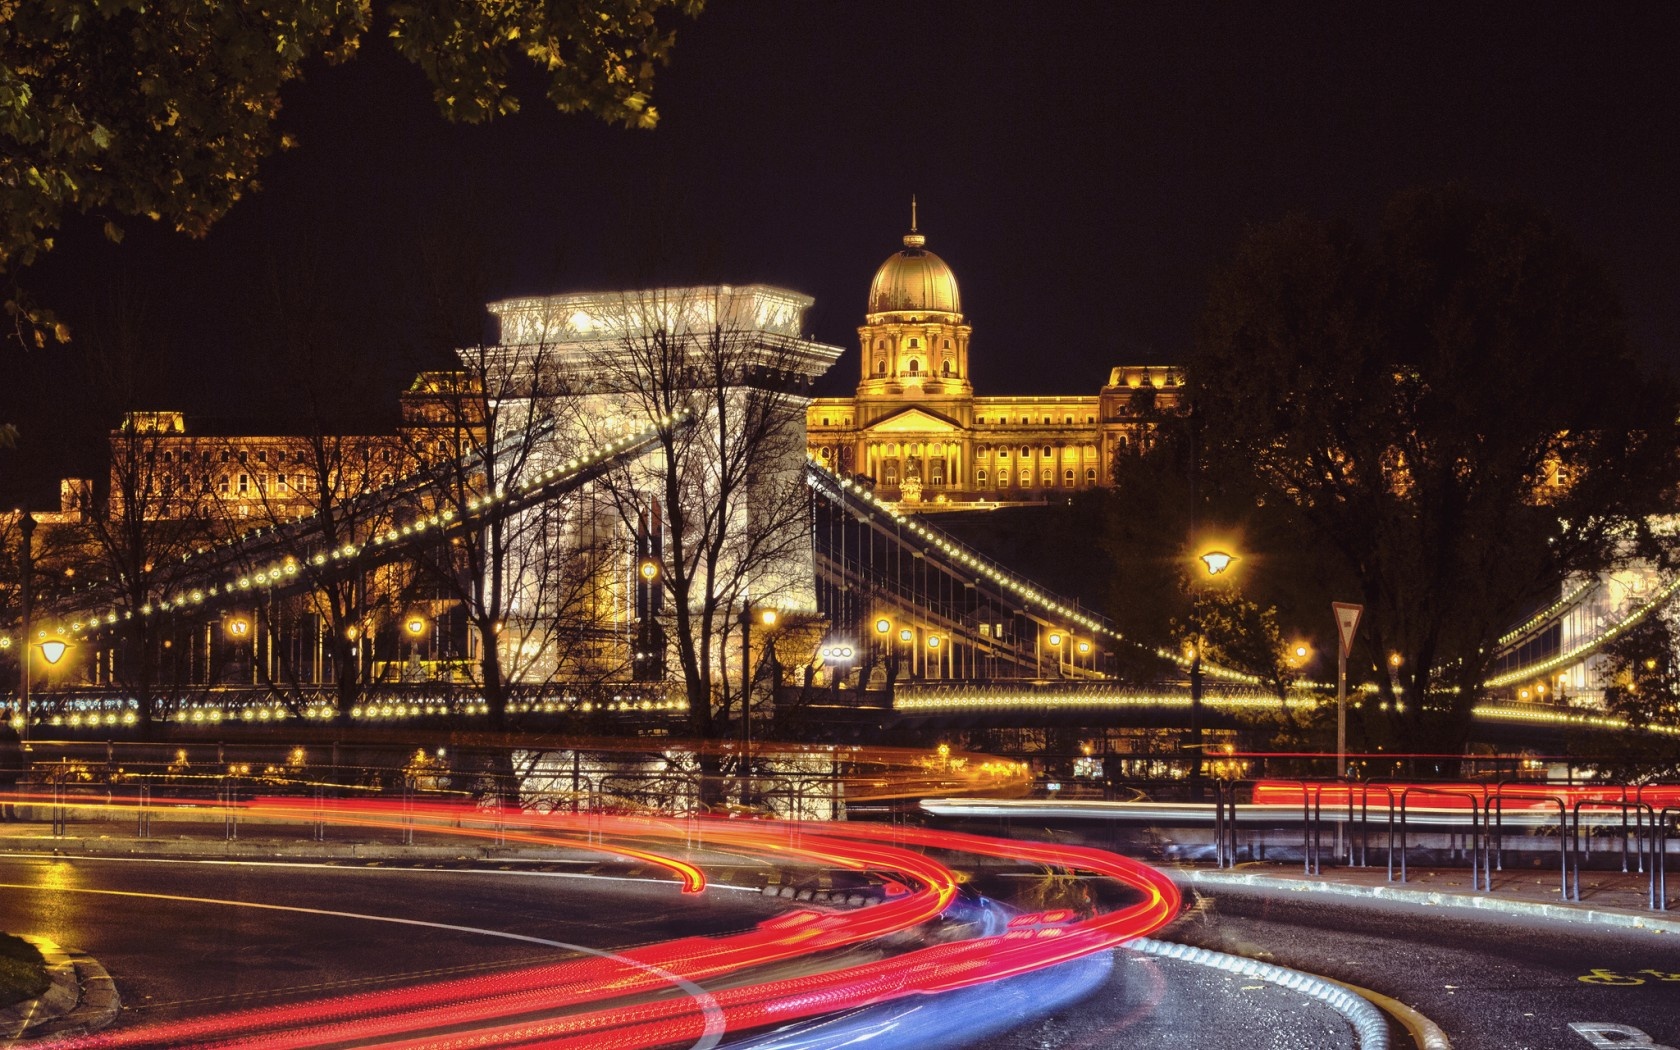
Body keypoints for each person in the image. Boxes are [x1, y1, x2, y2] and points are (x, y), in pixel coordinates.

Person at [0, 722, 22, 821]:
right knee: (9, 792)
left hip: (2, 767)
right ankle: (10, 814)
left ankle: (1, 815)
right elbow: (18, 746)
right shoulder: (13, 733)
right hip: (10, 767)